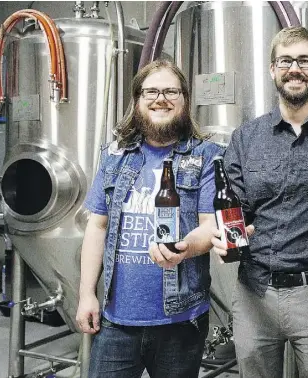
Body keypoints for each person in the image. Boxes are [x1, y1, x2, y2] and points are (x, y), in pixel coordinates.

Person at [210, 26, 308, 377]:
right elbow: (235, 209)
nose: (295, 68)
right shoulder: (246, 137)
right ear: (272, 69)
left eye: (305, 60)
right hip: (254, 293)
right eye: (286, 60)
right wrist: (221, 235)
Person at [75, 59, 222, 378]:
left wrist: (185, 247)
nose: (161, 98)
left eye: (171, 91)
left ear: (185, 99)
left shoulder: (206, 156)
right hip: (117, 320)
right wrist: (87, 293)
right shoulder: (114, 156)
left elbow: (210, 225)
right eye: (151, 91)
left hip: (181, 320)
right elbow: (97, 227)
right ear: (137, 100)